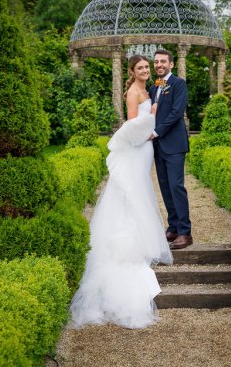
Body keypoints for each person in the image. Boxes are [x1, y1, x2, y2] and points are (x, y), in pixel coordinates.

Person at [69, 55, 173, 329]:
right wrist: (151, 118)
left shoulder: (151, 88)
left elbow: (161, 92)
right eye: (140, 68)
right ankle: (129, 239)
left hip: (146, 149)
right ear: (132, 71)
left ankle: (141, 232)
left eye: (147, 67)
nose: (145, 71)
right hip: (137, 147)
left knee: (141, 191)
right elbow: (130, 127)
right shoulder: (132, 92)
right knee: (131, 192)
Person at [149, 49, 192, 250]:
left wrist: (156, 132)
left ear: (171, 64)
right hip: (158, 147)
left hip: (174, 144)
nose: (158, 65)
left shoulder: (178, 84)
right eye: (156, 62)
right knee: (165, 188)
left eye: (163, 61)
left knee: (176, 186)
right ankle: (173, 226)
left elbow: (176, 113)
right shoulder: (155, 86)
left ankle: (185, 232)